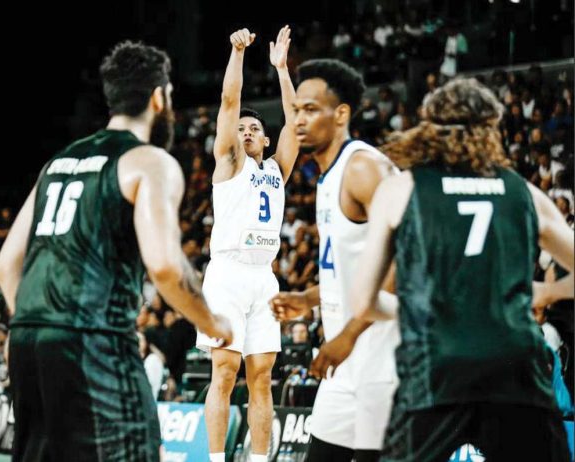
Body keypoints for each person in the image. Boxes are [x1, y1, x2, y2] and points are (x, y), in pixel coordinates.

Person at [0, 41, 232, 462]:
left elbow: (6, 265)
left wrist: (41, 325)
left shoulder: (58, 162)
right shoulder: (149, 161)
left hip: (27, 342)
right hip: (94, 341)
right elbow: (165, 267)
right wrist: (212, 321)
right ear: (159, 97)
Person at [349, 77, 572, 461]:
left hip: (437, 369)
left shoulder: (401, 189)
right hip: (514, 370)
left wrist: (413, 308)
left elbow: (362, 302)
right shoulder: (524, 191)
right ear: (491, 128)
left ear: (429, 127)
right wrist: (549, 292)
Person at [270, 58, 398, 462]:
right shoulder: (327, 178)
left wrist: (349, 335)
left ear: (341, 114)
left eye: (310, 109)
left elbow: (411, 255)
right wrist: (309, 299)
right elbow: (357, 268)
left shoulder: (363, 167)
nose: (299, 120)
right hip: (346, 365)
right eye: (295, 111)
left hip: (386, 360)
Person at [196, 26, 299, 462]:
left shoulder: (276, 169)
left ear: (266, 138)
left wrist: (281, 68)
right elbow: (228, 102)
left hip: (263, 277)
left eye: (255, 127)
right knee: (225, 371)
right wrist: (238, 53)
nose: (247, 131)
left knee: (262, 377)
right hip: (227, 274)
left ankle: (259, 460)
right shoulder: (229, 161)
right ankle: (217, 459)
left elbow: (296, 120)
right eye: (241, 128)